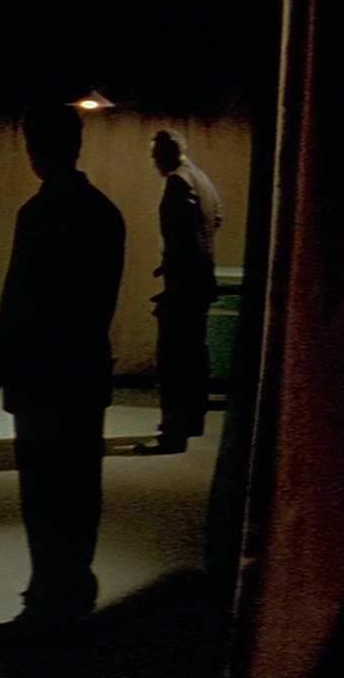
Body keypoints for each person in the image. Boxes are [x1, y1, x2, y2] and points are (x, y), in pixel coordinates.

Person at [0, 103, 126, 649]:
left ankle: (46, 609)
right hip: (85, 370)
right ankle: (72, 591)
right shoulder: (105, 212)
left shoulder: (40, 213)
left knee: (44, 495)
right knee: (80, 490)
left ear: (35, 150)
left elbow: (20, 303)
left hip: (42, 376)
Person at [137, 129, 222, 455]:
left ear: (166, 153)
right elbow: (215, 217)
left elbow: (179, 234)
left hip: (183, 286)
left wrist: (172, 266)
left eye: (154, 155)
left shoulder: (178, 182)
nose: (152, 161)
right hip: (200, 282)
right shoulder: (201, 179)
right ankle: (191, 422)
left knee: (172, 360)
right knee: (194, 356)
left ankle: (172, 433)